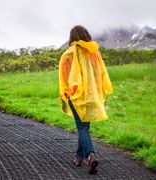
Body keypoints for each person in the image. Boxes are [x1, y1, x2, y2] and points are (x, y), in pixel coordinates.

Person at [58, 25, 113, 174]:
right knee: (84, 127)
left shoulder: (67, 55)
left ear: (72, 37)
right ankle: (79, 157)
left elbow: (64, 79)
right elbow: (100, 74)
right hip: (91, 95)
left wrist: (66, 94)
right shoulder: (94, 53)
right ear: (86, 35)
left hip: (76, 97)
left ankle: (91, 156)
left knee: (81, 127)